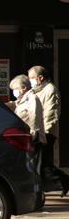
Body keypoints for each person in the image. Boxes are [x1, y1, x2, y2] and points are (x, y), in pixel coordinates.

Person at [28, 65, 69, 196]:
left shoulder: (50, 90)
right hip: (39, 133)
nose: (30, 81)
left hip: (45, 134)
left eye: (32, 78)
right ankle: (65, 182)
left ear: (40, 78)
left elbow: (51, 114)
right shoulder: (37, 90)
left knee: (42, 166)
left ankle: (39, 194)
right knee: (45, 165)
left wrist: (43, 134)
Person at [9, 75, 46, 145]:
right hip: (25, 138)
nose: (14, 92)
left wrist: (32, 137)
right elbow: (14, 104)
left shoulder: (32, 98)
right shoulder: (22, 100)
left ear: (24, 88)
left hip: (33, 140)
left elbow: (35, 118)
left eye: (16, 89)